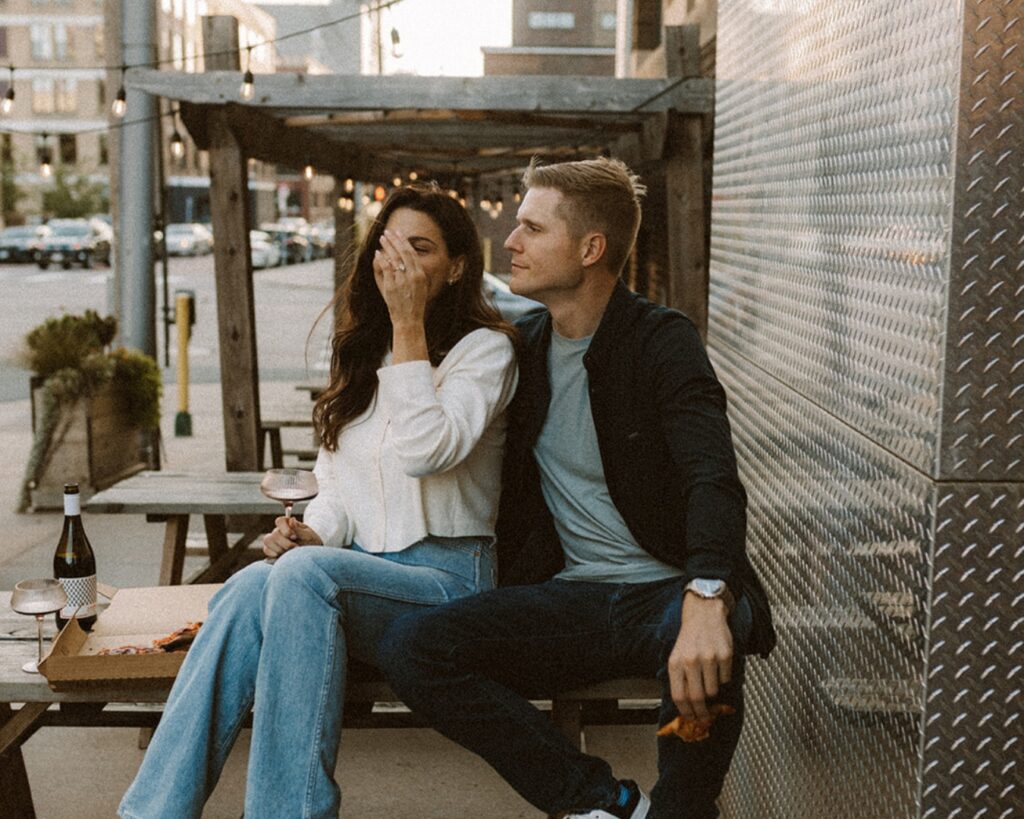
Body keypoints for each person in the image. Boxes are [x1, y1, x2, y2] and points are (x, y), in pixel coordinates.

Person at [381, 157, 776, 819]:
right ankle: (598, 801)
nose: (510, 242)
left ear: (591, 248)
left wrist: (708, 591)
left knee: (720, 625)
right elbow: (422, 433)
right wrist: (326, 522)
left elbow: (713, 475)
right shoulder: (521, 346)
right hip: (572, 599)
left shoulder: (660, 340)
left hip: (664, 592)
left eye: (532, 228)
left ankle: (680, 807)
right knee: (413, 646)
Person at [118, 184, 518, 819]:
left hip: (448, 586)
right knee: (254, 581)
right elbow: (335, 486)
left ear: (458, 266)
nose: (404, 264)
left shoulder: (486, 351)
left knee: (298, 577)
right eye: (393, 248)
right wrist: (313, 534)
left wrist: (409, 323)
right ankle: (152, 812)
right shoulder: (364, 352)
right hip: (353, 576)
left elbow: (426, 451)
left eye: (423, 249)